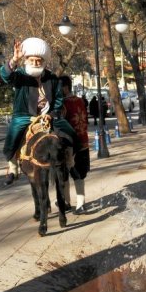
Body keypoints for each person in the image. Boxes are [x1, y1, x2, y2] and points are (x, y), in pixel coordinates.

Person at [0, 37, 79, 185]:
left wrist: (50, 115)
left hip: (48, 115)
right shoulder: (20, 75)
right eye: (32, 60)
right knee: (12, 137)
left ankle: (70, 162)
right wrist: (14, 60)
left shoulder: (53, 79)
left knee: (69, 132)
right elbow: (5, 76)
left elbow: (58, 101)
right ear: (26, 60)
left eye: (39, 61)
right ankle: (13, 167)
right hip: (24, 116)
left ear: (44, 62)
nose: (36, 63)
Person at [60, 75, 90, 214]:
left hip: (69, 145)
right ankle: (81, 204)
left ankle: (66, 202)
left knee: (65, 172)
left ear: (65, 88)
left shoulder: (62, 104)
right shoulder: (80, 101)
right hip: (83, 141)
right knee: (80, 174)